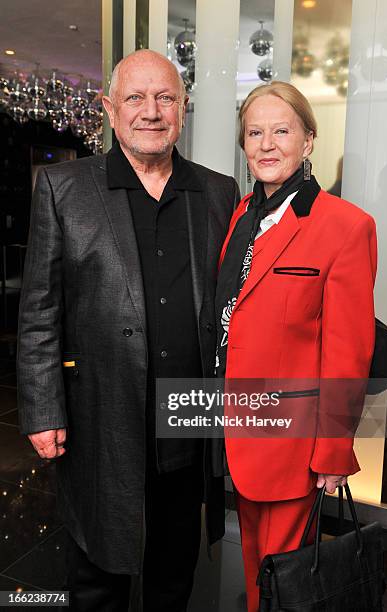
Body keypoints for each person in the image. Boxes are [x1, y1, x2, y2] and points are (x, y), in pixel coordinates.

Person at [17, 49, 239, 612]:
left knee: (173, 568)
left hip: (188, 419)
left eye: (165, 97)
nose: (151, 111)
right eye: (135, 98)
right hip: (101, 416)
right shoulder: (64, 188)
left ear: (183, 110)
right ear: (110, 109)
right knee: (98, 572)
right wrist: (44, 409)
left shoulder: (217, 192)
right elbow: (40, 310)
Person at [214, 82, 377, 612]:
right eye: (254, 133)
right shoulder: (242, 217)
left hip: (292, 443)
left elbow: (348, 352)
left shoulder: (345, 226)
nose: (266, 144)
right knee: (257, 570)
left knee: (286, 582)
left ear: (308, 140)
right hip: (237, 427)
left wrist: (332, 449)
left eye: (281, 131)